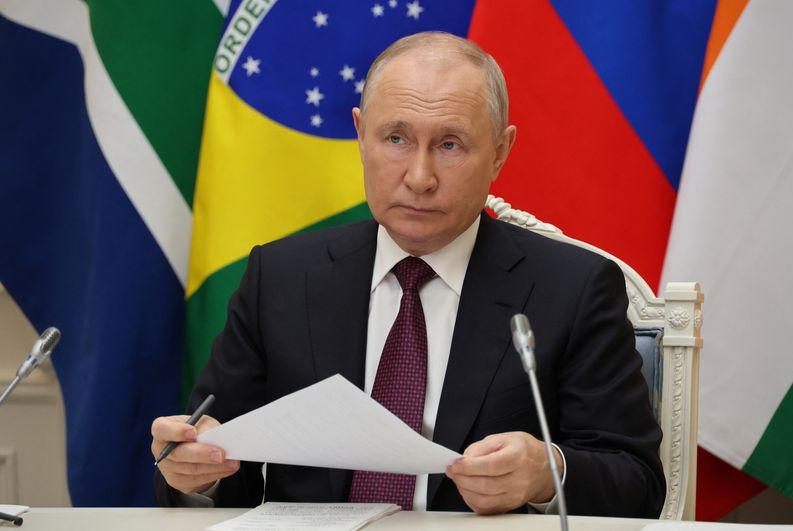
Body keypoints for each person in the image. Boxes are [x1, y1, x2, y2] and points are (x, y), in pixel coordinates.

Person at [152, 31, 665, 517]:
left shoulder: (572, 288)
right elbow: (218, 460)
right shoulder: (282, 279)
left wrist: (546, 474)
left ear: (500, 152)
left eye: (450, 145)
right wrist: (196, 471)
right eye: (396, 138)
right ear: (359, 135)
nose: (419, 178)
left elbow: (638, 484)